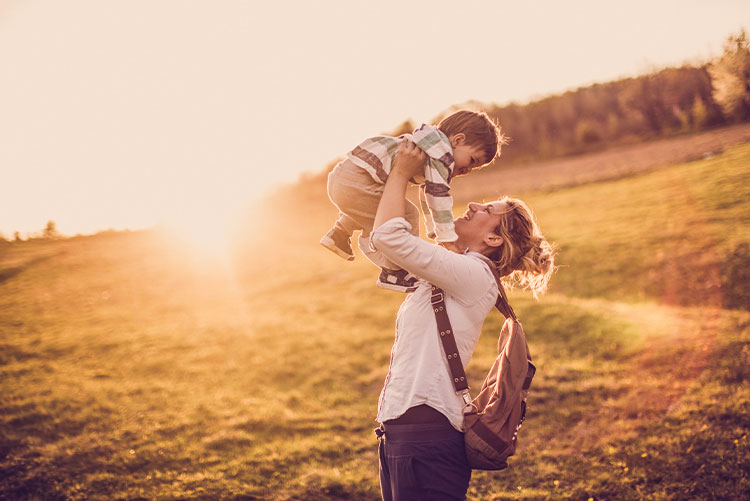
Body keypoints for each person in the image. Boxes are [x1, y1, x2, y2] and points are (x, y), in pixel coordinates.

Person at [368, 140, 554, 500]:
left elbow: (390, 236)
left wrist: (402, 172)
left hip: (426, 437)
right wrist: (422, 180)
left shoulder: (474, 275)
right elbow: (388, 242)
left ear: (493, 238)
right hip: (404, 432)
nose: (472, 204)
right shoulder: (455, 270)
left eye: (486, 209)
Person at [320, 110, 504, 292]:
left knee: (383, 203)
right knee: (407, 214)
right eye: (472, 160)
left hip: (346, 177)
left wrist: (433, 230)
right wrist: (447, 237)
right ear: (457, 140)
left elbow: (426, 194)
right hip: (354, 183)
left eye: (475, 167)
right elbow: (438, 196)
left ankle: (339, 233)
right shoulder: (441, 156)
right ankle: (394, 272)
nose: (469, 169)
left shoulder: (430, 144)